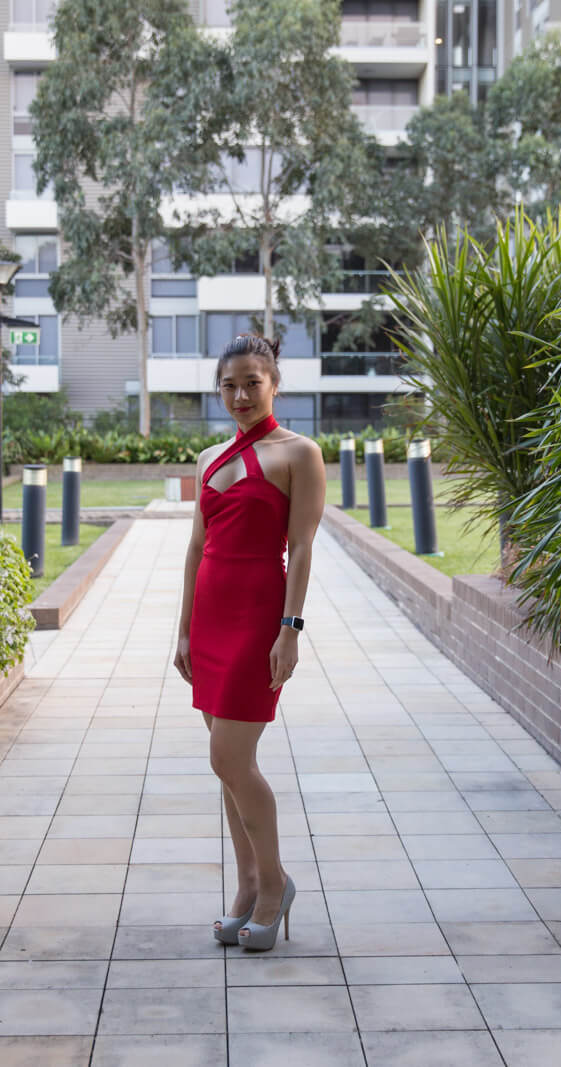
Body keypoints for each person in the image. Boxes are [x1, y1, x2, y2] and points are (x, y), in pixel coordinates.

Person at [173, 332, 326, 952]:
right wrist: (182, 628)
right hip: (210, 618)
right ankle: (246, 888)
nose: (239, 395)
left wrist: (289, 630)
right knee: (229, 767)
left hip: (259, 614)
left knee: (229, 759)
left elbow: (305, 547)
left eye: (251, 383)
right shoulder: (210, 455)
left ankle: (273, 885)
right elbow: (195, 548)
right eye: (229, 385)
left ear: (274, 385)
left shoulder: (300, 454)